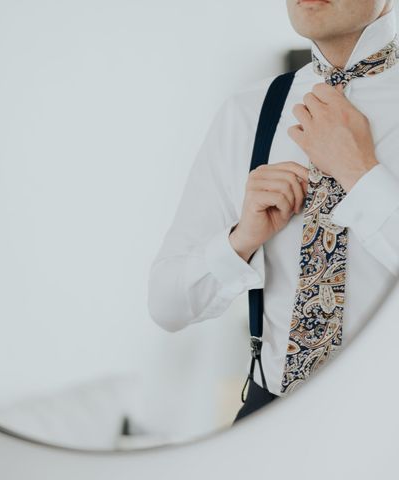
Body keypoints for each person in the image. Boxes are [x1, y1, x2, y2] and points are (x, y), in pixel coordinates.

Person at [147, 0, 399, 422]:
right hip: (272, 423)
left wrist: (360, 175)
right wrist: (241, 239)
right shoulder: (248, 112)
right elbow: (167, 305)